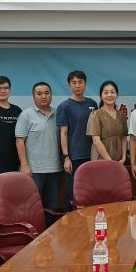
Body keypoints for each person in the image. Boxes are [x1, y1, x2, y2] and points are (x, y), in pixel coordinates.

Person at [15, 82, 63, 222]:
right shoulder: (26, 115)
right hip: (33, 170)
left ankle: (50, 234)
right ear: (33, 96)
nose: (43, 96)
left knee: (52, 208)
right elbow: (19, 141)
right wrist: (24, 165)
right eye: (39, 93)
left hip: (55, 169)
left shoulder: (58, 114)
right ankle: (32, 234)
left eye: (47, 93)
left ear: (51, 95)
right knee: (30, 207)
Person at [56, 70, 97, 210]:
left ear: (85, 84)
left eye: (80, 82)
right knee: (73, 194)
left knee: (90, 192)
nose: (77, 85)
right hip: (74, 157)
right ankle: (72, 222)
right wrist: (66, 157)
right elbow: (63, 133)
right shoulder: (64, 106)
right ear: (69, 86)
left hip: (91, 156)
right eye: (74, 83)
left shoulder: (92, 103)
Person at [87, 80, 128, 162]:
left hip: (119, 161)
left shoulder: (121, 116)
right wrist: (110, 161)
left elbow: (123, 138)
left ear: (117, 95)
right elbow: (96, 140)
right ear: (101, 96)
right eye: (106, 93)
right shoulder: (96, 114)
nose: (109, 95)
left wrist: (123, 158)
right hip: (101, 159)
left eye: (112, 92)